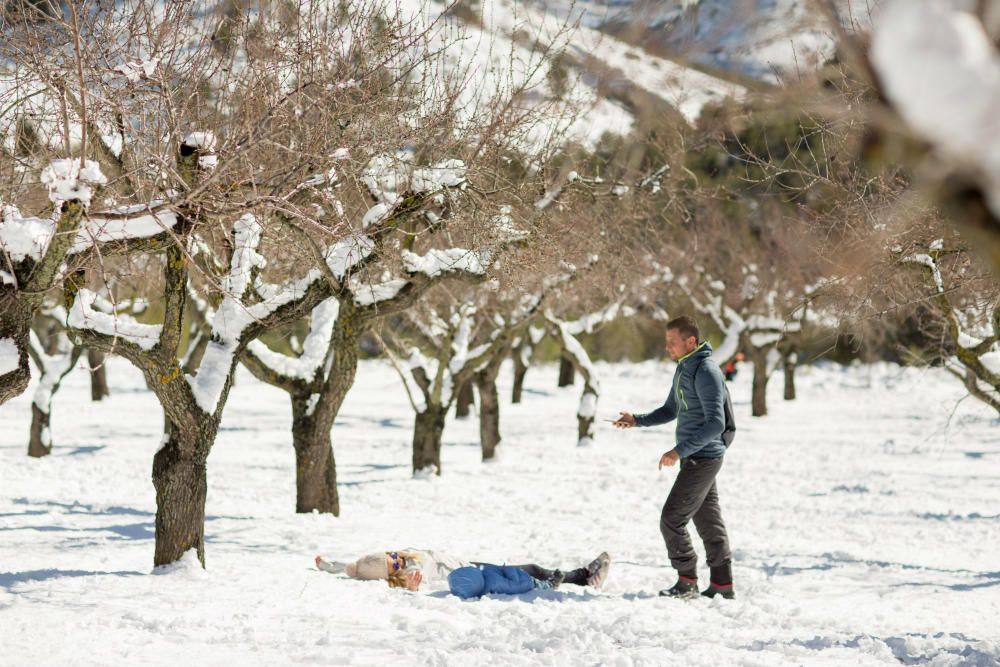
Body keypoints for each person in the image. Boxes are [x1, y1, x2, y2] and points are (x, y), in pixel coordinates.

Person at [614, 315, 734, 600]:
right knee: (708, 522)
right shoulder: (684, 368)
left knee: (672, 518)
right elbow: (671, 409)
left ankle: (687, 580)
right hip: (696, 456)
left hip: (703, 457)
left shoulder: (705, 371)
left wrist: (678, 451)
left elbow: (716, 423)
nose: (667, 347)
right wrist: (637, 420)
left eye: (673, 342)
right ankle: (722, 584)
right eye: (666, 342)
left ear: (691, 341)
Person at [314, 549, 611, 594]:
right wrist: (411, 583)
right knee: (530, 573)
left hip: (472, 563)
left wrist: (331, 566)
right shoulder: (412, 570)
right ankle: (584, 577)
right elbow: (413, 576)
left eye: (394, 555)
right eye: (395, 565)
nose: (399, 559)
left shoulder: (405, 555)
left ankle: (583, 576)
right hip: (473, 573)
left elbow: (354, 567)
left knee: (532, 568)